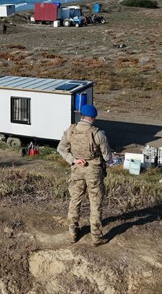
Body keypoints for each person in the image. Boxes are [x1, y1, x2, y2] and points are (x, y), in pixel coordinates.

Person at [57, 104, 112, 246]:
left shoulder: (71, 130)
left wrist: (73, 160)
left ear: (81, 116)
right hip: (94, 171)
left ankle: (72, 233)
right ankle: (96, 237)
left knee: (75, 200)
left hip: (77, 169)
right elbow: (107, 156)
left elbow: (61, 149)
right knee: (95, 202)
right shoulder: (98, 134)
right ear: (92, 118)